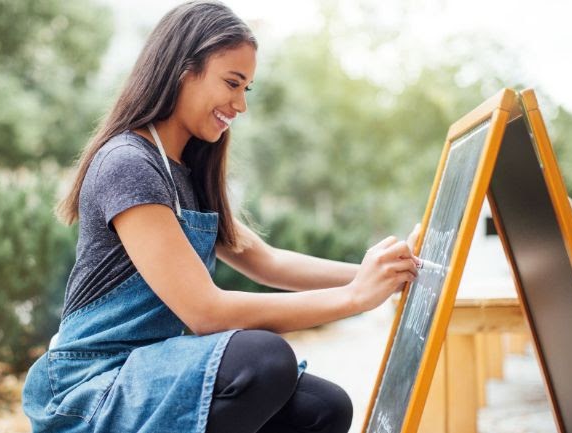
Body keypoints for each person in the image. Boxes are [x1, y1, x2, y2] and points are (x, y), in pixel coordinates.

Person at [21, 1, 420, 432]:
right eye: (232, 82)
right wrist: (355, 299)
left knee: (324, 408)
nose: (240, 105)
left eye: (246, 88)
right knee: (264, 361)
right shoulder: (128, 163)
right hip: (90, 385)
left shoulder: (187, 174)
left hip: (147, 371)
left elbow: (267, 262)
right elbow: (206, 313)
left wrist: (379, 274)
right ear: (182, 69)